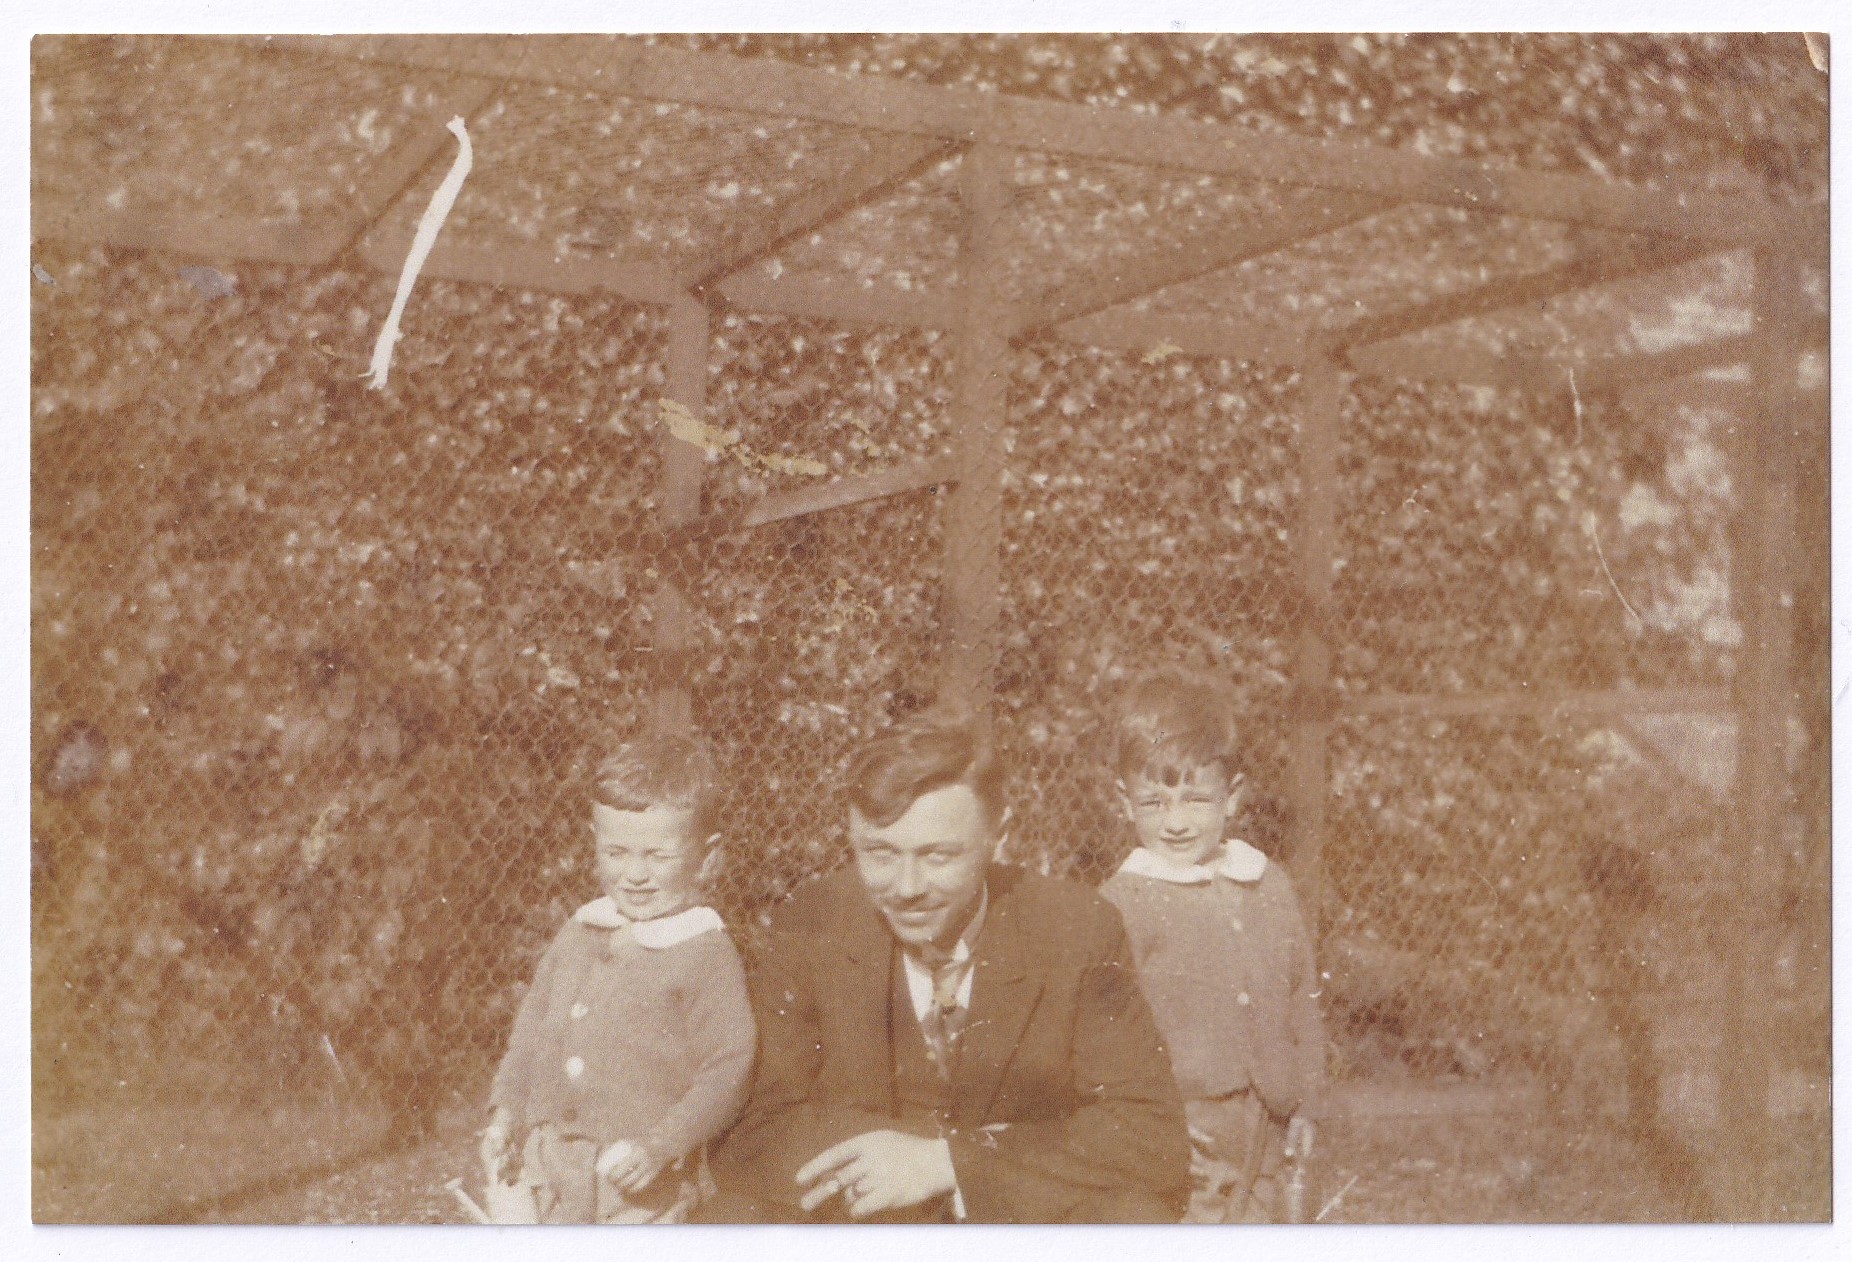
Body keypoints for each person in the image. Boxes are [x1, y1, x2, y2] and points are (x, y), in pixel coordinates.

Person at [708, 712, 1190, 1224]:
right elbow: (753, 1132)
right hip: (872, 1228)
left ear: (998, 835)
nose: (907, 888)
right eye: (880, 853)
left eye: (937, 856)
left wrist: (949, 1163)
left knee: (1137, 1218)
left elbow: (1151, 1137)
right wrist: (901, 1166)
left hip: (1016, 1228)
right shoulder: (812, 922)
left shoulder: (1076, 928)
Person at [477, 732, 756, 1223]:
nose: (635, 874)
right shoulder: (581, 930)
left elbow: (728, 1068)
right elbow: (531, 1035)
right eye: (616, 852)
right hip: (550, 1169)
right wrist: (506, 1114)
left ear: (708, 857)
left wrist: (661, 1146)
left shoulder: (703, 949)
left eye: (658, 856)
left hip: (636, 1182)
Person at [1098, 666, 1327, 1224]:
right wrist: (1146, 1121)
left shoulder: (1267, 884)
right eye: (1155, 803)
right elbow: (1104, 1036)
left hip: (1269, 1131)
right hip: (1183, 1140)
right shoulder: (1122, 903)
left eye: (1196, 800)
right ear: (1125, 801)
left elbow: (1301, 1001)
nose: (1176, 823)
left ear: (1232, 797)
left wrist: (1308, 1102)